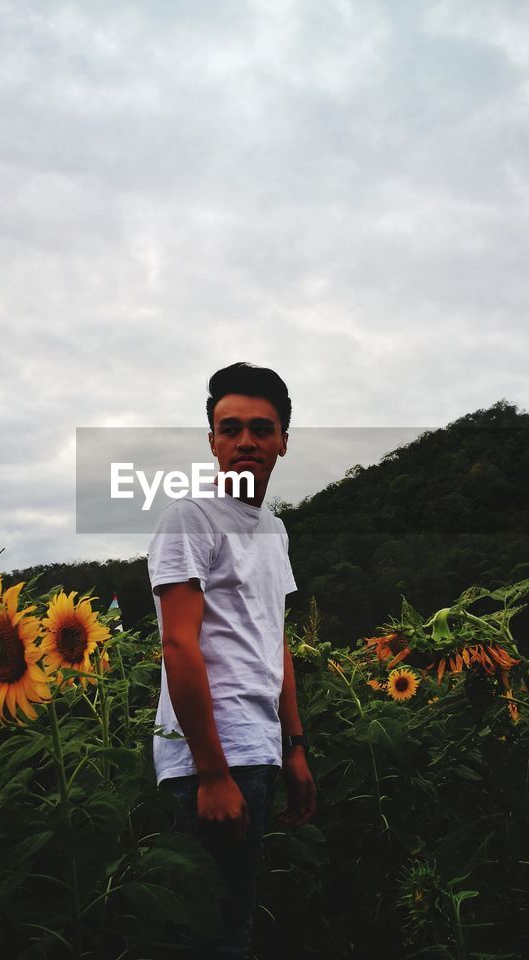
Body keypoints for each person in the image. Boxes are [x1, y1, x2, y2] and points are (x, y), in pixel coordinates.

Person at [148, 362, 317, 958]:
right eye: (232, 427)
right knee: (212, 937)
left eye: (262, 428)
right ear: (213, 440)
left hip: (259, 748)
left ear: (283, 442)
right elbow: (179, 645)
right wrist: (213, 772)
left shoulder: (274, 529)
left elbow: (274, 640)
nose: (247, 440)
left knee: (234, 923)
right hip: (213, 757)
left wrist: (293, 747)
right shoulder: (189, 518)